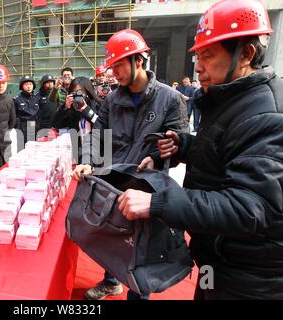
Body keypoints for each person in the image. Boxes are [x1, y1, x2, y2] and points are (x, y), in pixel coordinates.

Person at [119, 0, 283, 300]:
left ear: (245, 54)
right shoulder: (230, 98)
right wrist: (184, 146)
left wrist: (158, 204)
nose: (197, 66)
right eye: (198, 56)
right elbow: (225, 154)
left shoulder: (267, 114)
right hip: (216, 258)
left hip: (250, 277)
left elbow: (249, 208)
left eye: (207, 56)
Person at [72, 29, 188, 301]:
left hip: (147, 189)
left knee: (140, 251)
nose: (115, 72)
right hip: (115, 182)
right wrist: (87, 162)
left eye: (120, 64)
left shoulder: (169, 99)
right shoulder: (112, 99)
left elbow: (179, 145)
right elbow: (98, 134)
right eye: (112, 66)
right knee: (112, 239)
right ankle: (111, 282)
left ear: (139, 60)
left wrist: (158, 157)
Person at [13, 75, 40, 146]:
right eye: (26, 84)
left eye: (30, 84)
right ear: (22, 86)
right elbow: (13, 116)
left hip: (34, 127)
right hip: (22, 128)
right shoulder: (16, 99)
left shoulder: (36, 98)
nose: (28, 86)